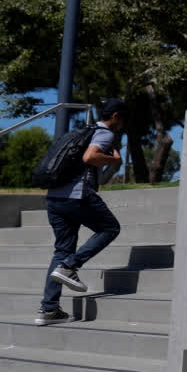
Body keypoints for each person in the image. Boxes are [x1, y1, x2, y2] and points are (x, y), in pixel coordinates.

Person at [34, 97, 126, 326]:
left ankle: (49, 309)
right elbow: (90, 157)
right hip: (76, 196)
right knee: (110, 228)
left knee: (61, 250)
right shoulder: (105, 133)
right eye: (123, 119)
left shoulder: (82, 130)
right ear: (115, 117)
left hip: (54, 198)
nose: (123, 124)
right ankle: (70, 266)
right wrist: (114, 160)